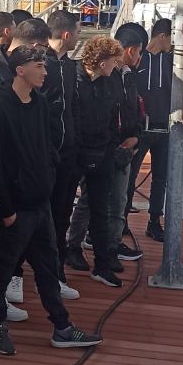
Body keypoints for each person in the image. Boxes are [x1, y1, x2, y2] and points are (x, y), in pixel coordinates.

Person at [0, 48, 95, 356]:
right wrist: (6, 210)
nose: (45, 72)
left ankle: (62, 326)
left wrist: (48, 174)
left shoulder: (40, 103)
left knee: (48, 267)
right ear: (20, 70)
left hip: (41, 202)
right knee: (1, 269)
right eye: (39, 66)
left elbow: (47, 144)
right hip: (16, 208)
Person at [69, 34, 127, 286]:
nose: (116, 65)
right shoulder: (73, 79)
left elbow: (114, 115)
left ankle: (102, 265)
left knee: (100, 210)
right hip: (75, 154)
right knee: (64, 209)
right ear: (103, 63)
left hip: (102, 152)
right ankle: (68, 252)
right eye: (114, 61)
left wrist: (110, 146)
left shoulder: (109, 82)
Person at [45, 10, 82, 273]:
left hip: (68, 151)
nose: (79, 37)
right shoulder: (41, 64)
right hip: (45, 152)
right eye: (78, 32)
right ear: (67, 35)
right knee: (40, 213)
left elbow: (74, 107)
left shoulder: (70, 67)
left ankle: (57, 269)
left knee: (63, 211)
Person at [131, 17, 172, 242]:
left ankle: (154, 221)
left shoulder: (173, 61)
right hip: (141, 129)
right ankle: (121, 220)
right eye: (171, 38)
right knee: (131, 175)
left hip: (164, 128)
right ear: (162, 36)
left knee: (160, 178)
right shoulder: (139, 59)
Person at [111, 23, 148, 264]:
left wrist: (136, 135)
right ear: (131, 50)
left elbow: (133, 109)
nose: (140, 58)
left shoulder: (128, 75)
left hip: (126, 144)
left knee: (119, 198)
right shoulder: (110, 76)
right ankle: (107, 247)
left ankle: (111, 242)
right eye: (140, 52)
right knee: (111, 200)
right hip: (111, 147)